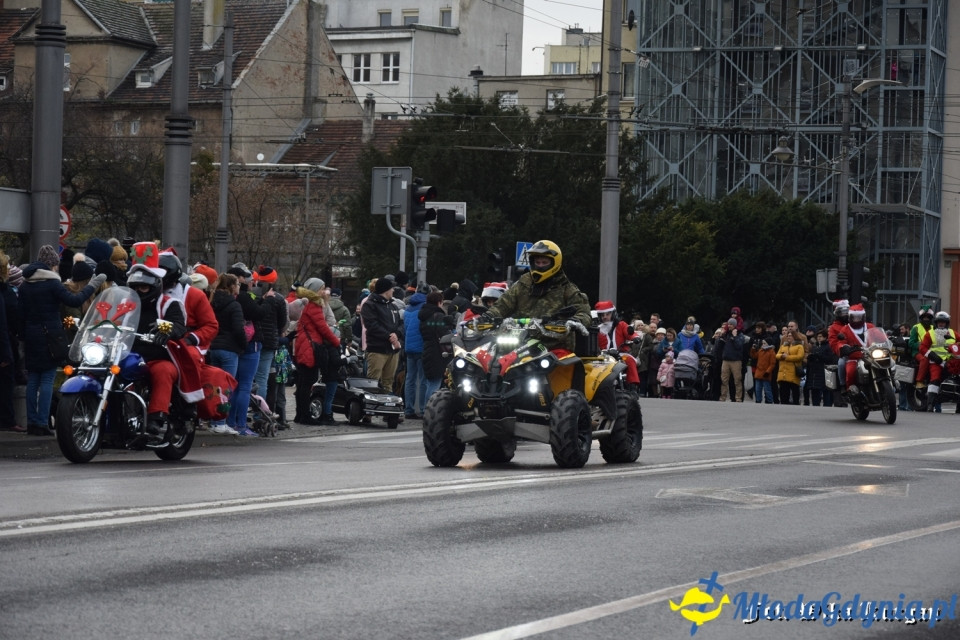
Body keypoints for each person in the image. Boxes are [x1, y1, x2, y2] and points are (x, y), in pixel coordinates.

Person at [19, 245, 105, 435]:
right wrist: (93, 284)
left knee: (33, 379)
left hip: (31, 335)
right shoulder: (52, 283)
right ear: (51, 265)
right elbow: (74, 300)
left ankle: (32, 422)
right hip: (51, 335)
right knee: (48, 378)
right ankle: (42, 422)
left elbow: (21, 313)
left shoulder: (25, 285)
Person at [126, 251, 189, 440]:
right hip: (127, 355)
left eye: (143, 288)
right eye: (135, 287)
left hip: (156, 356)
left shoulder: (169, 304)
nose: (139, 291)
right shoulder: (125, 303)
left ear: (154, 286)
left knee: (163, 371)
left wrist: (166, 330)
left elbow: (179, 325)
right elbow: (109, 320)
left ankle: (156, 417)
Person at [484, 240, 591, 350]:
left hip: (555, 348)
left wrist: (574, 321)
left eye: (544, 262)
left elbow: (584, 313)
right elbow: (503, 304)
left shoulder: (567, 289)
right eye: (537, 262)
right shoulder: (523, 284)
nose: (540, 266)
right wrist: (488, 316)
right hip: (521, 345)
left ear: (555, 263)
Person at [226, 263, 267, 436]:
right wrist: (266, 301)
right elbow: (258, 313)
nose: (249, 281)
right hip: (249, 343)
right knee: (244, 386)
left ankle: (227, 421)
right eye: (245, 277)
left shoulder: (221, 297)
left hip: (232, 344)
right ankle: (240, 425)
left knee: (233, 385)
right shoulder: (243, 298)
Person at [293, 285, 341, 425]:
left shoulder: (310, 304)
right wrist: (336, 342)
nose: (325, 291)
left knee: (303, 382)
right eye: (321, 288)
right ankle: (305, 416)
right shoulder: (314, 305)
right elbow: (323, 327)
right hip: (310, 347)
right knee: (308, 381)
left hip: (304, 345)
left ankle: (300, 415)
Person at [206, 274, 245, 435]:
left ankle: (214, 420)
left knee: (214, 386)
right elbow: (238, 329)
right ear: (232, 286)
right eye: (237, 284)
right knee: (226, 387)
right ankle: (221, 421)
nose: (239, 286)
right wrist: (243, 345)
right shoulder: (234, 305)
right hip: (229, 349)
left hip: (214, 347)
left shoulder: (212, 302)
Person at [251, 266, 288, 415]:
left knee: (250, 377)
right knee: (263, 377)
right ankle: (260, 412)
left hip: (252, 340)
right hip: (270, 341)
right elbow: (282, 323)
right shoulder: (278, 299)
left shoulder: (252, 296)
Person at [361, 276, 404, 394]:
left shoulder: (393, 306)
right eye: (392, 288)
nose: (393, 291)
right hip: (377, 349)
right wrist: (389, 336)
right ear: (386, 290)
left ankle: (386, 408)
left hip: (393, 350)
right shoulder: (370, 305)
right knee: (372, 381)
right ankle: (370, 409)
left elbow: (400, 323)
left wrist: (397, 334)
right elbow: (371, 325)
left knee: (388, 382)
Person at [594, 300, 641, 389]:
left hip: (620, 353)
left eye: (607, 314)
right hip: (603, 355)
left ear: (613, 314)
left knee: (629, 360)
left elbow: (629, 333)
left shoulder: (621, 325)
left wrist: (635, 337)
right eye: (602, 315)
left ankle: (632, 386)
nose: (605, 317)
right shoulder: (596, 329)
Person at [418, 290, 454, 406]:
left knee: (429, 382)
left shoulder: (424, 315)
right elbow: (443, 334)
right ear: (439, 302)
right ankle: (430, 409)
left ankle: (424, 408)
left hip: (427, 349)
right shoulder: (438, 316)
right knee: (435, 383)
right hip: (437, 352)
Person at [0, 254, 23, 432]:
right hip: (4, 344)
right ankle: (7, 420)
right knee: (6, 384)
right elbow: (6, 323)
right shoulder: (5, 292)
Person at [919, 311, 956, 409]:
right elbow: (922, 348)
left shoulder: (953, 333)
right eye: (939, 322)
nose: (941, 323)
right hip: (936, 362)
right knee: (935, 379)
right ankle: (930, 404)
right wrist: (933, 356)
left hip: (952, 362)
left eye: (943, 322)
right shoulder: (930, 334)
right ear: (936, 322)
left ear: (947, 323)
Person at [838, 304, 875, 397]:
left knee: (887, 363)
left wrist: (889, 339)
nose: (856, 319)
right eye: (854, 317)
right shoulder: (845, 329)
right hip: (854, 357)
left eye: (859, 317)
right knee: (850, 371)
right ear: (850, 317)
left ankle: (891, 383)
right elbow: (841, 341)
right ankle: (850, 389)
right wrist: (844, 347)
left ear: (863, 317)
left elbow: (879, 335)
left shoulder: (870, 326)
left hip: (871, 356)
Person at [403, 286, 428, 418]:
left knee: (410, 379)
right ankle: (423, 409)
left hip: (409, 348)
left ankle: (409, 409)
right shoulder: (425, 308)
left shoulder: (407, 309)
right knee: (423, 380)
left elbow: (405, 329)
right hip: (421, 347)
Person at [715, 317, 745, 402]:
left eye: (731, 324)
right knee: (724, 380)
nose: (729, 325)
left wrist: (734, 337)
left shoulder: (740, 334)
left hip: (736, 360)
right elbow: (719, 346)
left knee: (737, 380)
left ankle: (738, 398)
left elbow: (739, 346)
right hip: (726, 360)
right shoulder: (726, 334)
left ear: (735, 325)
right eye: (729, 324)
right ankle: (723, 397)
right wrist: (721, 336)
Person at [806, 329, 836, 407]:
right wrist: (811, 358)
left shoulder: (828, 347)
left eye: (821, 336)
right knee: (815, 391)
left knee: (826, 391)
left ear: (825, 337)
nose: (819, 338)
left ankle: (827, 406)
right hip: (815, 372)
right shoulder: (815, 347)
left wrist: (819, 356)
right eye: (818, 336)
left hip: (824, 372)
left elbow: (829, 359)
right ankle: (815, 405)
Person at [775, 329, 805, 404]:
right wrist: (782, 356)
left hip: (793, 373)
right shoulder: (783, 346)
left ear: (795, 336)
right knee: (783, 393)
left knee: (795, 391)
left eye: (790, 336)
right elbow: (777, 355)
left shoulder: (799, 346)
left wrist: (787, 357)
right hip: (783, 373)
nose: (788, 337)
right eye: (788, 336)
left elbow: (800, 356)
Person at [909, 306, 935, 390]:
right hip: (918, 352)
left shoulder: (934, 328)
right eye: (924, 317)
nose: (926, 319)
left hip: (932, 351)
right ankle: (919, 381)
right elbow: (911, 343)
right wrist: (921, 346)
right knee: (924, 359)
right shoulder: (915, 327)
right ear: (921, 318)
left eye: (928, 317)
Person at [750, 338, 776, 404]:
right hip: (759, 372)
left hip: (766, 373)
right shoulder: (761, 350)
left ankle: (770, 401)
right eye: (763, 343)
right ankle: (758, 400)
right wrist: (753, 349)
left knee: (767, 389)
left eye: (764, 343)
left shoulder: (771, 352)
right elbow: (754, 356)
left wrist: (768, 371)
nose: (763, 345)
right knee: (757, 389)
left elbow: (772, 364)